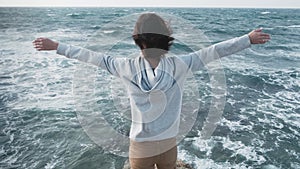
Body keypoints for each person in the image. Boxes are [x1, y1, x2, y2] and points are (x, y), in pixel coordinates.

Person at [33, 13, 270, 169]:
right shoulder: (181, 64)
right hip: (168, 143)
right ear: (167, 39)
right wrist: (247, 39)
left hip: (141, 146)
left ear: (138, 40)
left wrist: (57, 46)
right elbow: (215, 51)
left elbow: (90, 56)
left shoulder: (124, 66)